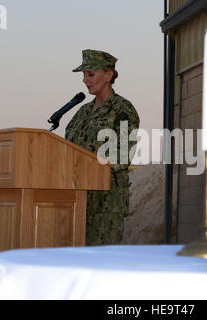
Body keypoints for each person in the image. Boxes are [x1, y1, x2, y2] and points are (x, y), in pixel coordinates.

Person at [65, 49, 140, 245]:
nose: (85, 80)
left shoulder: (123, 110)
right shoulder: (82, 111)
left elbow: (123, 155)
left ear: (109, 75)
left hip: (106, 204)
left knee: (100, 262)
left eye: (90, 74)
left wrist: (89, 165)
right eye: (83, 75)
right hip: (77, 199)